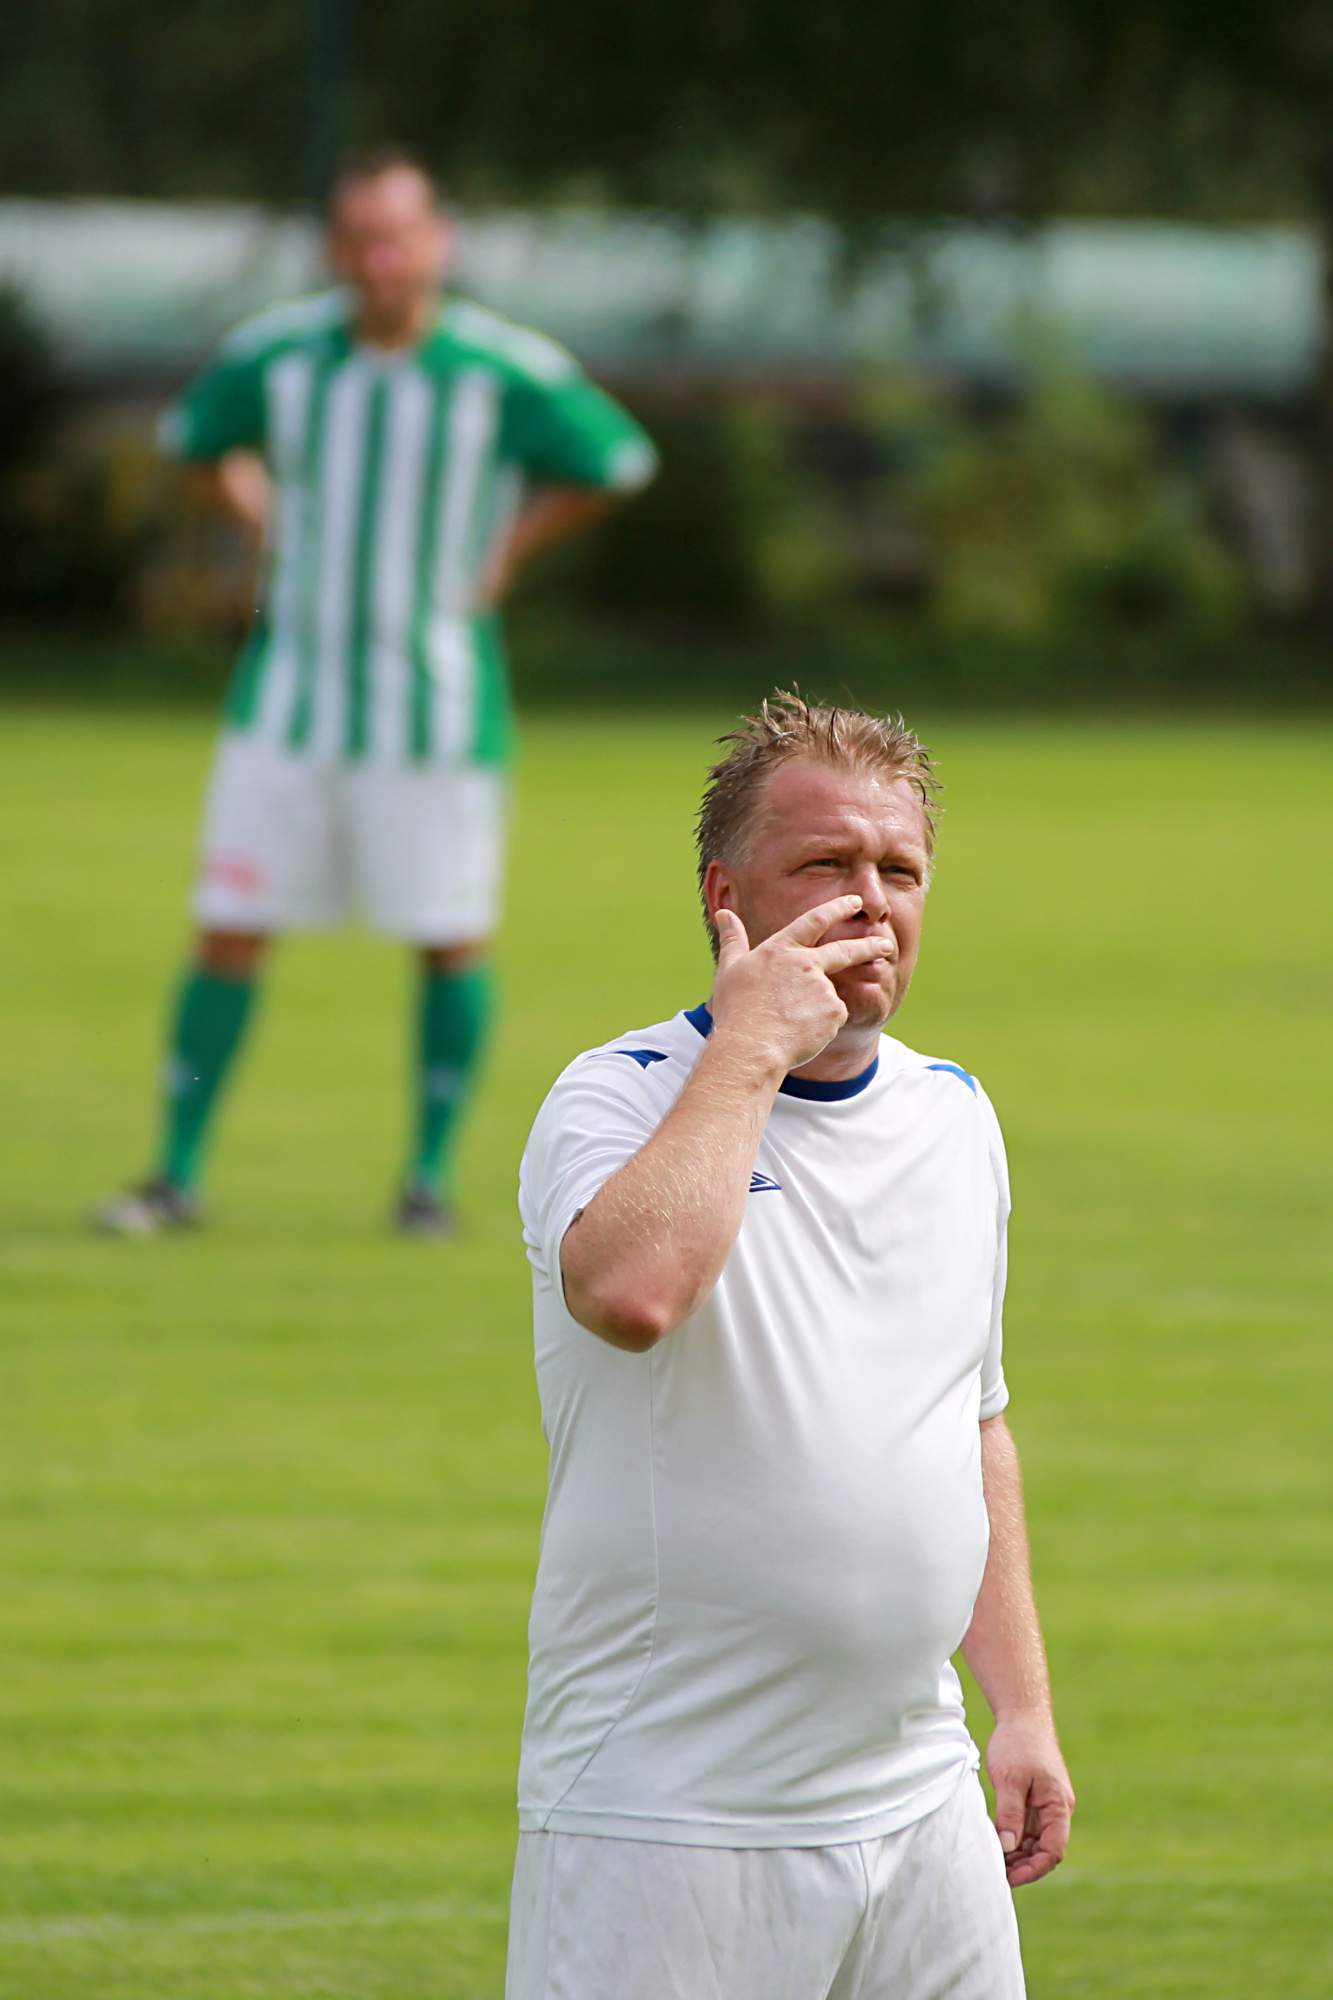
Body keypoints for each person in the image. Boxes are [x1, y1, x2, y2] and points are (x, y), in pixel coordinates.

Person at [508, 693, 1074, 1998]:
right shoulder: (618, 1093)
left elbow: (970, 1418)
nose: (869, 900)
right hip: (672, 1812)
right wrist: (754, 1046)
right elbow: (633, 1292)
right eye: (825, 863)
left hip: (918, 1795)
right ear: (725, 893)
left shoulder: (953, 1113)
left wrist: (1023, 1705)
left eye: (899, 869)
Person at [96, 148, 657, 1238]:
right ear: (335, 248)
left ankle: (426, 1180)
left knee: (447, 934)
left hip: (435, 710)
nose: (378, 261)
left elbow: (618, 460)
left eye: (397, 238)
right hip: (286, 704)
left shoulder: (496, 366)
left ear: (437, 241)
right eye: (358, 240)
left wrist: (509, 548)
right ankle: (175, 1171)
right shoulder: (283, 356)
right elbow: (192, 440)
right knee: (230, 925)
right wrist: (259, 515)